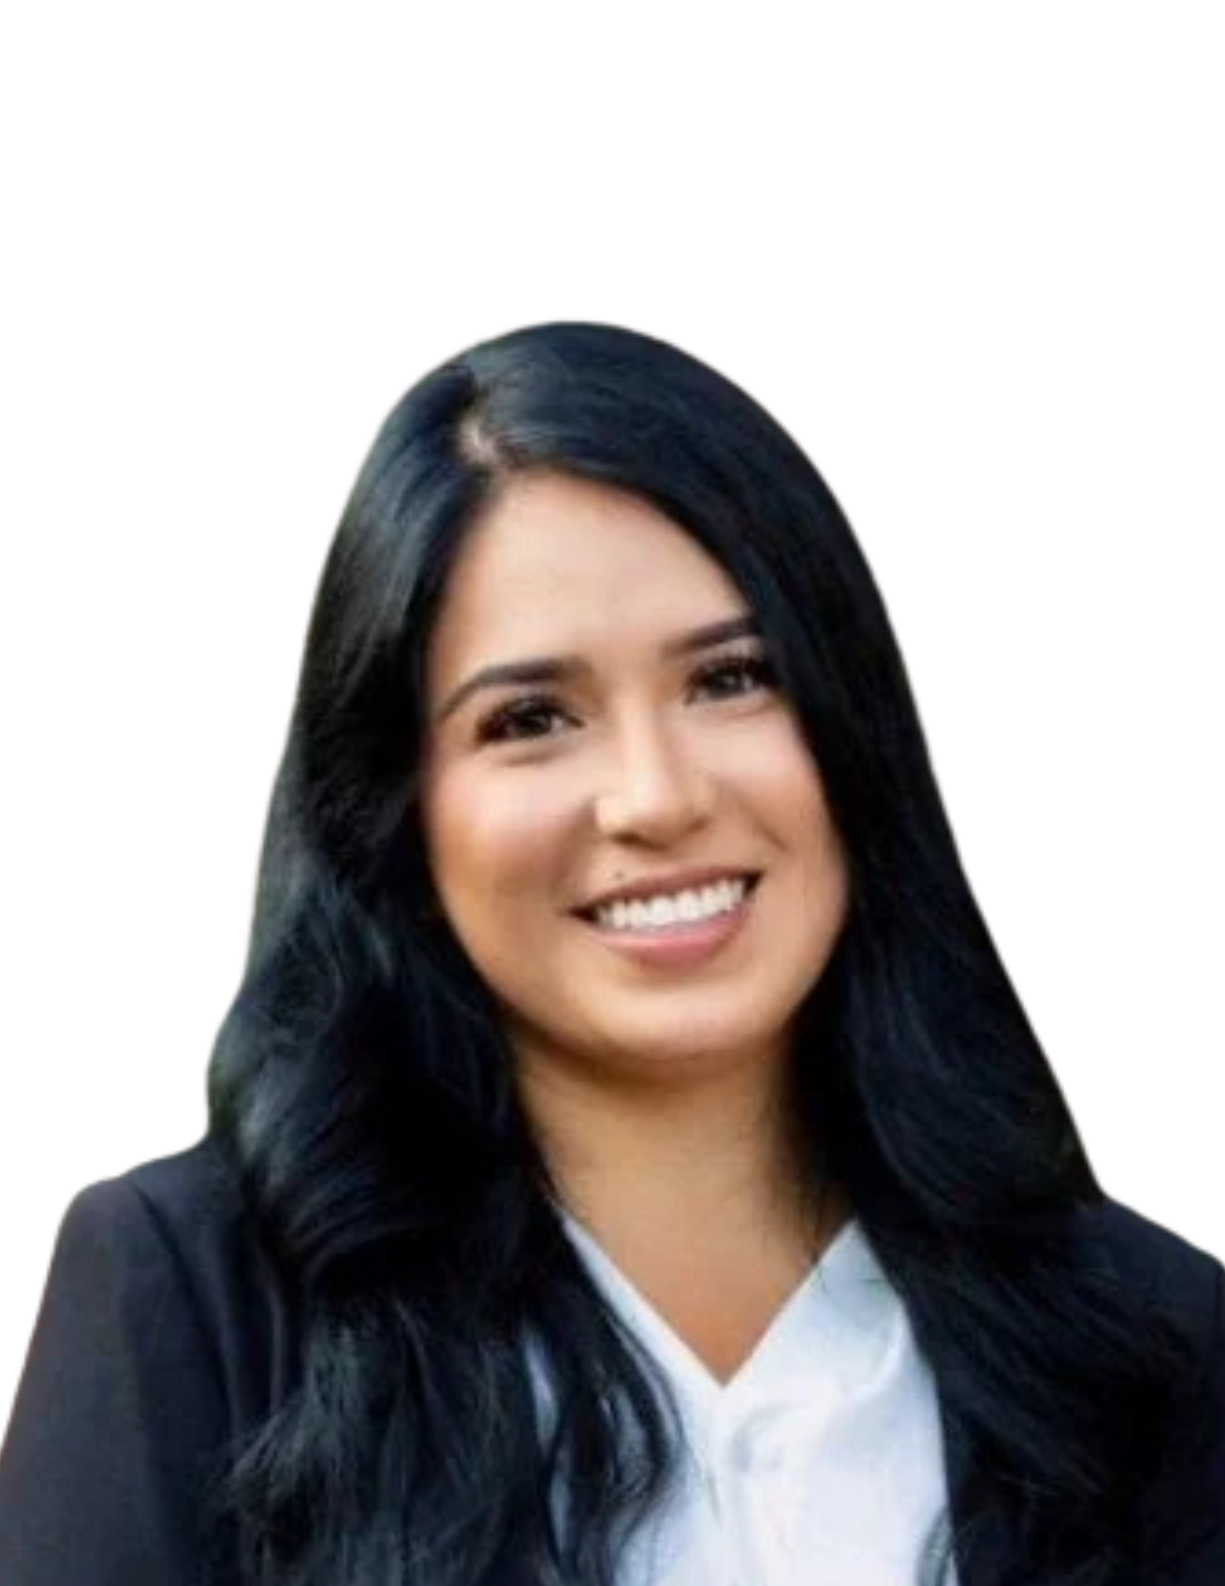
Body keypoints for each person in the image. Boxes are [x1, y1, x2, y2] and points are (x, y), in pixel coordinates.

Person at [0, 322, 1220, 1586]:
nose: (654, 794)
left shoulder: (1149, 1346)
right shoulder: (196, 1308)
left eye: (733, 678)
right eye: (530, 718)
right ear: (395, 805)